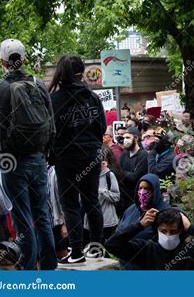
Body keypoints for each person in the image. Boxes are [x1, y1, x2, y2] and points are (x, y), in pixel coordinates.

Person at [0, 39, 57, 270]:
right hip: (38, 158)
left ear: (2, 61)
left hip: (11, 162)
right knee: (42, 213)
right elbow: (51, 122)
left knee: (22, 216)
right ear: (24, 59)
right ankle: (49, 265)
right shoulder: (38, 84)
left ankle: (28, 268)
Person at [49, 55, 106, 266]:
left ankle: (76, 251)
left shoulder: (54, 99)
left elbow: (51, 132)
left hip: (67, 157)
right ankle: (97, 248)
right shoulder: (92, 96)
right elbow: (102, 126)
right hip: (91, 154)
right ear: (81, 72)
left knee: (70, 203)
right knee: (92, 200)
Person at [105, 208, 194, 270]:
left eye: (173, 231)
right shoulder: (145, 250)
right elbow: (112, 245)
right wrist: (140, 225)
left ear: (181, 231)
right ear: (157, 230)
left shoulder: (193, 250)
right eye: (163, 231)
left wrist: (192, 228)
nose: (168, 235)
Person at [114, 173, 169, 269]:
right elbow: (118, 234)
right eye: (140, 188)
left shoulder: (164, 212)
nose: (143, 192)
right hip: (127, 265)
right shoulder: (131, 210)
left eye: (147, 189)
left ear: (155, 190)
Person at [83, 147, 120, 247]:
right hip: (90, 221)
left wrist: (102, 191)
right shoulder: (86, 174)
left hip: (108, 221)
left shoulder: (109, 175)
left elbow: (116, 196)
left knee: (108, 249)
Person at [118, 127, 148, 217]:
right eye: (124, 138)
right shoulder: (124, 154)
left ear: (136, 138)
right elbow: (119, 171)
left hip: (135, 197)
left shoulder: (143, 155)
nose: (125, 140)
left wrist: (122, 172)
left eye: (128, 138)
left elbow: (135, 177)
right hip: (123, 196)